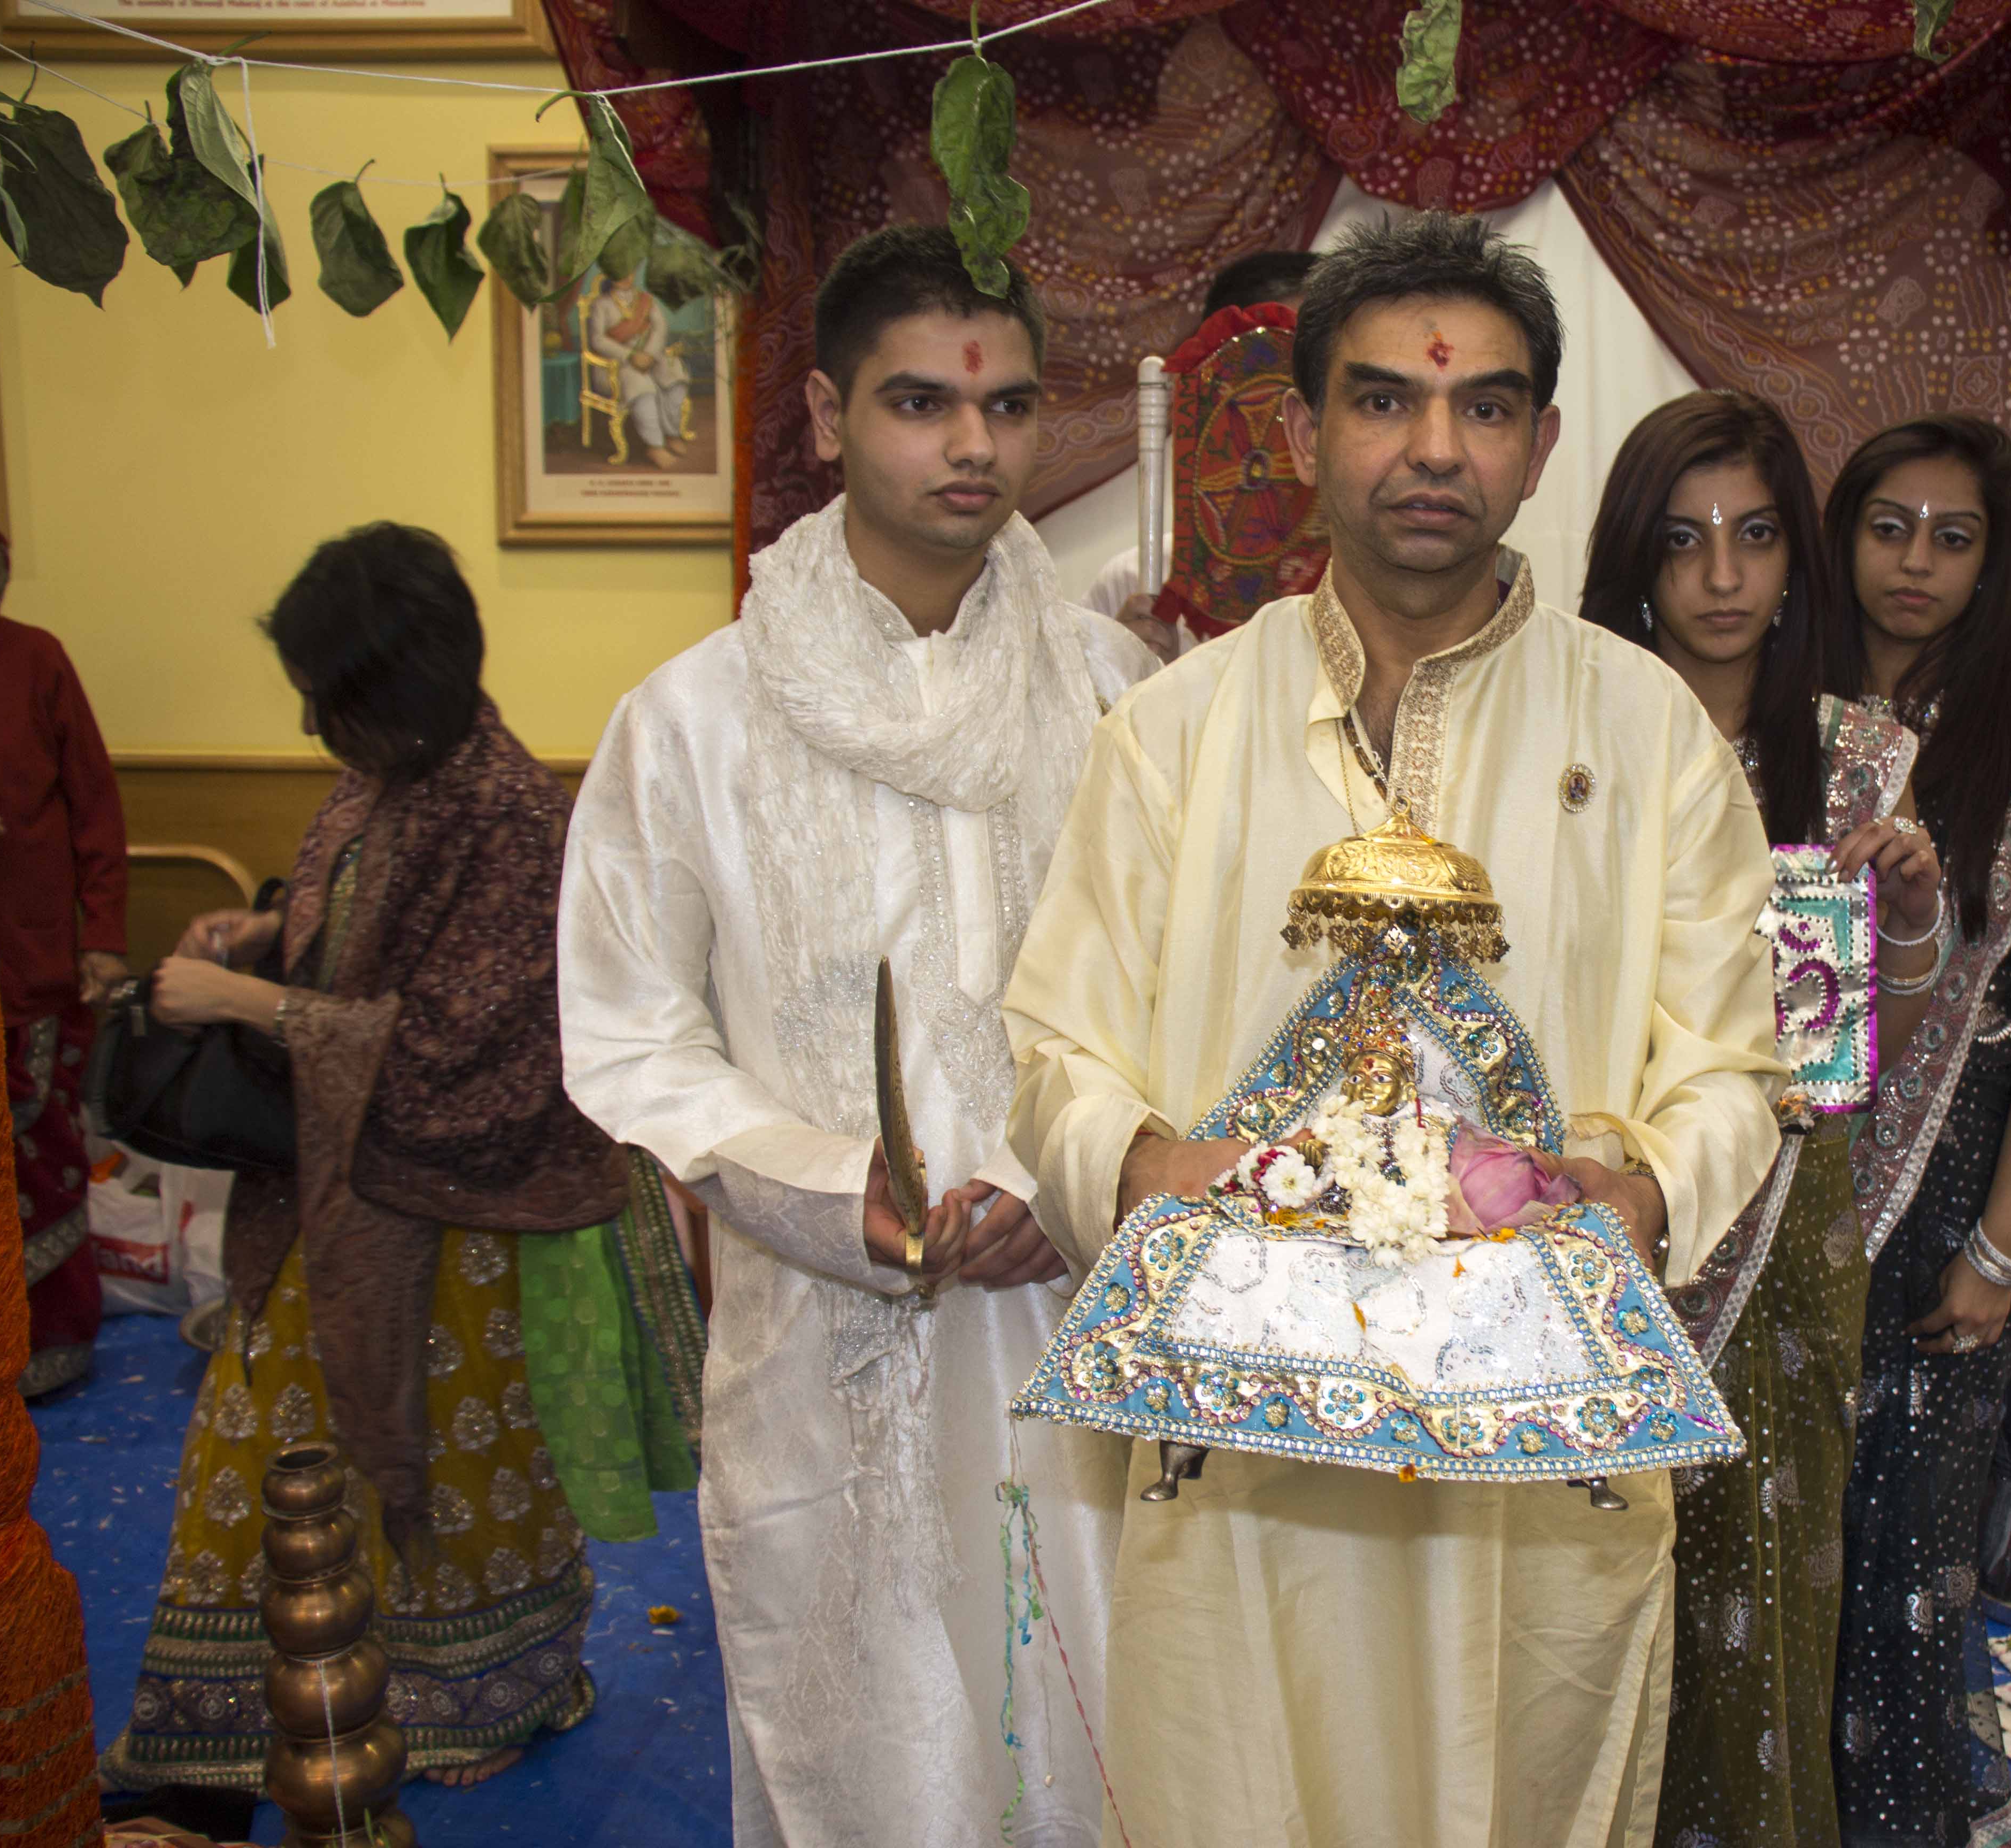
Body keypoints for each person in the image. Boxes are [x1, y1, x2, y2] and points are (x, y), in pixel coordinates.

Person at [1000, 210, 1783, 1848]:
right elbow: (1059, 1044)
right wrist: (1146, 1168)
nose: (1436, 449)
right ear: (1303, 433)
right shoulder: (1173, 733)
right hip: (1242, 1451)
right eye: (1383, 401)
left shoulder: (1649, 733)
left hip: (1536, 1464)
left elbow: (1729, 1066)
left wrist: (1642, 1198)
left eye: (1485, 408)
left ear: (1542, 447)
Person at [558, 224, 1155, 1848]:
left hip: (1079, 1311)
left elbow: (1188, 992)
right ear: (825, 414)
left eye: (1009, 406)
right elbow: (630, 1032)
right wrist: (834, 1193)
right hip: (827, 1342)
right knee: (876, 1753)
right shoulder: (691, 720)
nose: (974, 445)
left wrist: (1074, 1169)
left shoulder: (1118, 697)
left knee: (1098, 1719)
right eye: (919, 403)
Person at [103, 523, 631, 1803]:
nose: (310, 726)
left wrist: (242, 1000)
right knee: (272, 1444)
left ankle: (480, 1696)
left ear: (403, 686)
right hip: (337, 1195)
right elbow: (369, 929)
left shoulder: (508, 811)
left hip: (461, 1218)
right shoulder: (387, 778)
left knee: (451, 1476)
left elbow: (460, 1051)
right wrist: (272, 932)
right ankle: (252, 1705)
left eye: (329, 698)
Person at [1579, 391, 1941, 1845]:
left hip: (1786, 1226)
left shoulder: (1849, 758)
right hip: (1610, 1207)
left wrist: (1904, 920)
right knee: (1591, 1581)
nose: (1722, 577)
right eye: (1683, 540)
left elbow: (1837, 1059)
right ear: (1635, 559)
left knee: (1764, 1585)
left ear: (1797, 556)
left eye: (1754, 535)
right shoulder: (1578, 741)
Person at [1809, 416, 2011, 1848]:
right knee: (1783, 1524)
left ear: (1991, 564)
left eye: (1953, 535)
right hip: (1789, 1174)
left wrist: (1999, 1252)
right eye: (1888, 526)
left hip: (1956, 1186)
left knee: (1912, 1548)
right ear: (1843, 538)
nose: (1914, 562)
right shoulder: (1770, 713)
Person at [0, 509, 127, 1400]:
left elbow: (95, 806)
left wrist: (102, 936)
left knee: (42, 1153)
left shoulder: (36, 661)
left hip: (28, 970)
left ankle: (51, 1344)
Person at [1087, 248, 1319, 660]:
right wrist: (1122, 673)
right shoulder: (1135, 583)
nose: (1294, 414)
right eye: (1265, 380)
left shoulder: (1380, 591)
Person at [586, 263, 696, 469]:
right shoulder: (601, 304)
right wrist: (630, 356)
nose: (626, 276)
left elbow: (660, 328)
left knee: (674, 373)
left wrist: (650, 354)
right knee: (640, 384)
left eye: (630, 270)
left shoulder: (645, 300)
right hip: (614, 365)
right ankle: (655, 446)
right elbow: (597, 340)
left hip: (649, 357)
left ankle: (671, 434)